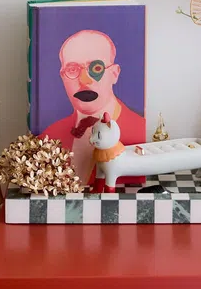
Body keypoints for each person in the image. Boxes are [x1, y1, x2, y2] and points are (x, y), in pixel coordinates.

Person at [41, 29, 145, 182]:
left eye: (96, 68)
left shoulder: (140, 130)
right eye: (72, 69)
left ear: (114, 74)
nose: (84, 80)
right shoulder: (48, 137)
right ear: (63, 77)